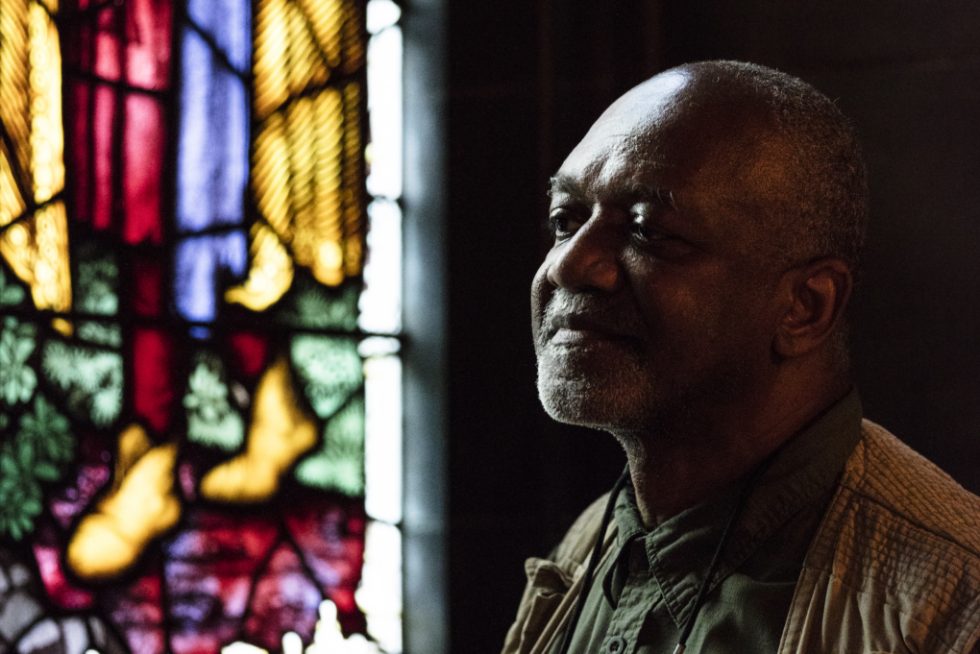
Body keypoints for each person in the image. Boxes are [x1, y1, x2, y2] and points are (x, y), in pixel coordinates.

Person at [502, 61, 980, 654]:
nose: (570, 265)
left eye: (649, 231)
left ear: (805, 307)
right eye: (564, 220)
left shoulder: (947, 610)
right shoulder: (586, 551)